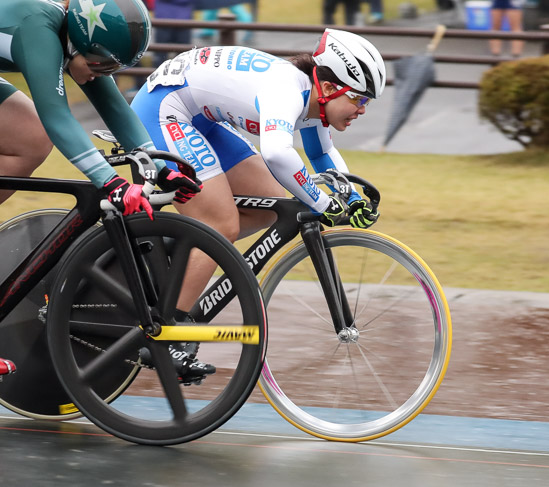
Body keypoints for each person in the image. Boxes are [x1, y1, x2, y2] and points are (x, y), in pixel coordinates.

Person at [0, 0, 202, 382]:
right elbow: (58, 117)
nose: (102, 74)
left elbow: (112, 105)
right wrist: (111, 182)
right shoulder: (38, 30)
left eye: (113, 68)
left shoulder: (76, 33)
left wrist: (161, 168)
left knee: (30, 139)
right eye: (100, 64)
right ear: (78, 43)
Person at [131, 29, 385, 379]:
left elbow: (321, 154)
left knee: (275, 203)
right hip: (163, 109)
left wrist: (352, 197)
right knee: (221, 225)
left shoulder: (314, 101)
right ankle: (168, 333)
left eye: (367, 102)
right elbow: (278, 153)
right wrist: (325, 202)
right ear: (328, 88)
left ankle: (185, 245)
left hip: (198, 116)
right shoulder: (288, 92)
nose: (362, 109)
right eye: (359, 99)